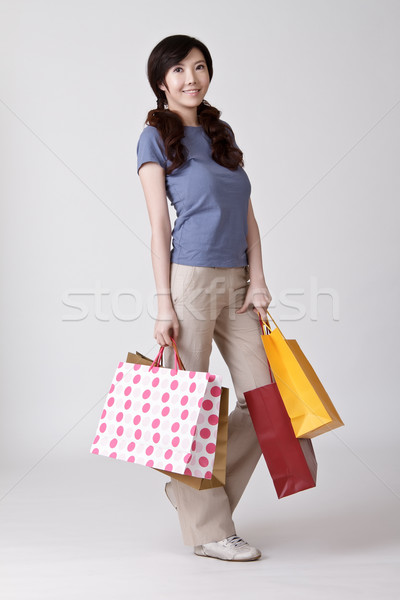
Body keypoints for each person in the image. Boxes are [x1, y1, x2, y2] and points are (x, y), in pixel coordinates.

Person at [136, 34, 273, 562]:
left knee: (266, 404)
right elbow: (158, 227)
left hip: (237, 284)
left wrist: (257, 281)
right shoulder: (154, 136)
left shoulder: (221, 134)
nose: (190, 78)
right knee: (188, 410)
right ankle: (211, 530)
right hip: (190, 279)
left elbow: (248, 216)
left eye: (199, 67)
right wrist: (164, 303)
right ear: (161, 82)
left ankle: (188, 494)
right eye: (178, 70)